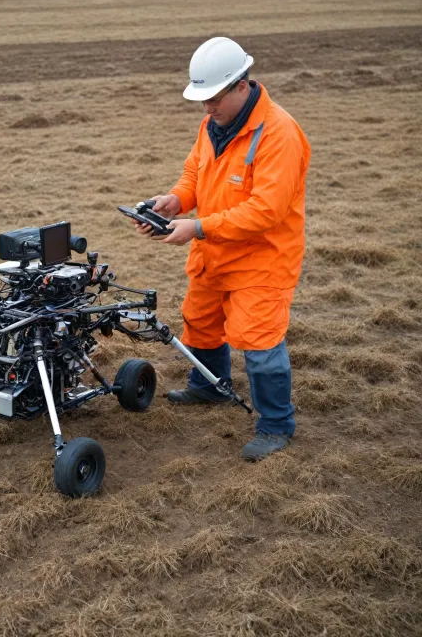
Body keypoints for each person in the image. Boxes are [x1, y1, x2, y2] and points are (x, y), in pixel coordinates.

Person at [132, 37, 311, 461]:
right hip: (215, 249)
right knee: (200, 320)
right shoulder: (213, 124)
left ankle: (275, 425)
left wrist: (197, 227)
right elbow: (196, 171)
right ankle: (208, 387)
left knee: (259, 340)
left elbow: (266, 211)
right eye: (203, 101)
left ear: (240, 86)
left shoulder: (279, 134)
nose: (207, 108)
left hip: (263, 258)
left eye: (213, 99)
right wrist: (175, 201)